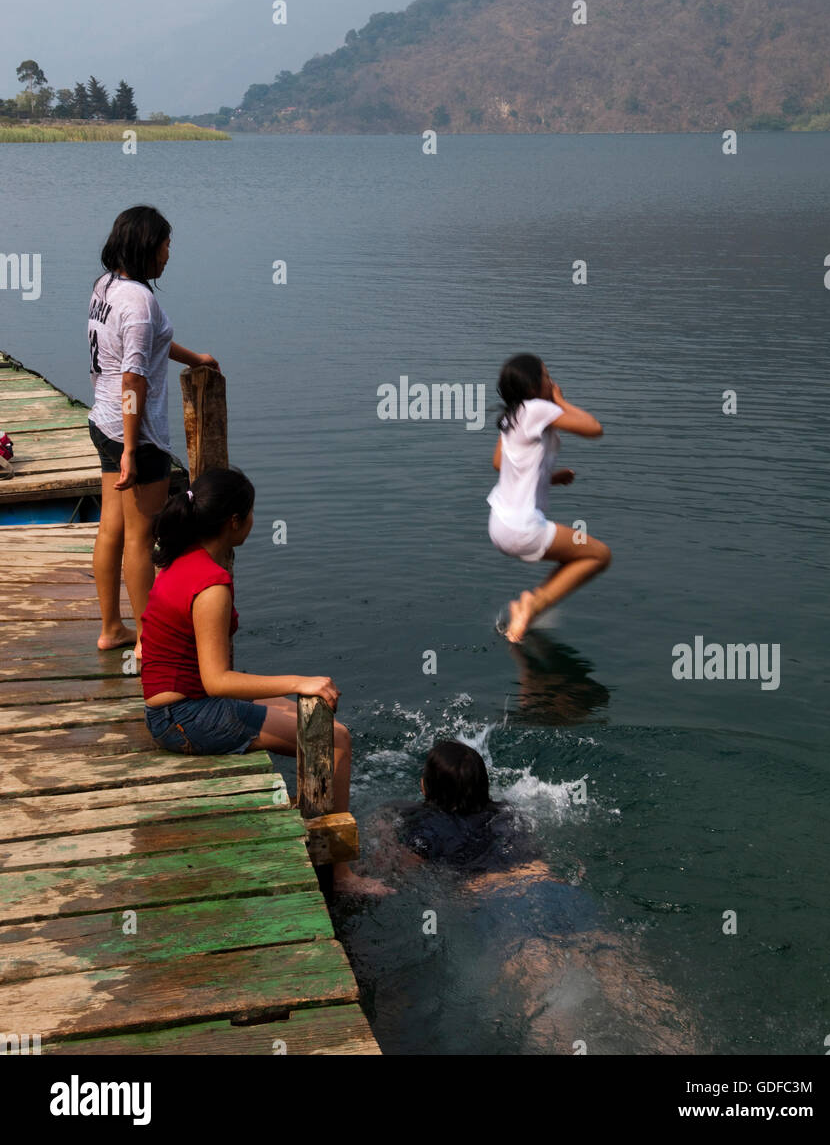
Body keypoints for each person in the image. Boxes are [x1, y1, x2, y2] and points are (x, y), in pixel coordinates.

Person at [141, 466, 388, 897]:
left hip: (176, 708)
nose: (255, 521)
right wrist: (297, 680)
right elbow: (216, 681)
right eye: (252, 513)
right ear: (235, 521)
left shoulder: (178, 560)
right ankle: (340, 874)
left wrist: (296, 692)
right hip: (183, 718)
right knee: (334, 740)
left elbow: (153, 645)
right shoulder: (211, 584)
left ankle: (309, 811)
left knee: (314, 716)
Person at [371, 741, 697, 1053]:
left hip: (504, 908)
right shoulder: (508, 813)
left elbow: (396, 872)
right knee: (628, 979)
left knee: (546, 1004)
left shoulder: (422, 826)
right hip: (560, 892)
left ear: (426, 787)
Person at [87, 205, 219, 656]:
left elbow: (149, 344)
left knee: (111, 528)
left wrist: (195, 358)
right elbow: (132, 378)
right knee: (142, 538)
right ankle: (150, 642)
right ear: (147, 247)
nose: (170, 252)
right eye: (165, 243)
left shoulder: (106, 286)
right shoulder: (141, 303)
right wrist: (129, 448)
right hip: (134, 434)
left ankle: (111, 628)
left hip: (102, 421)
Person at [487, 353, 612, 642]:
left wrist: (548, 477)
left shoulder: (514, 415)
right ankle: (532, 605)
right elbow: (594, 428)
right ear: (533, 387)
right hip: (523, 528)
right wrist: (561, 402)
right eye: (546, 376)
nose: (552, 381)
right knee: (598, 554)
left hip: (499, 525)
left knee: (577, 556)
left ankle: (527, 610)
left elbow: (499, 462)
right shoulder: (537, 408)